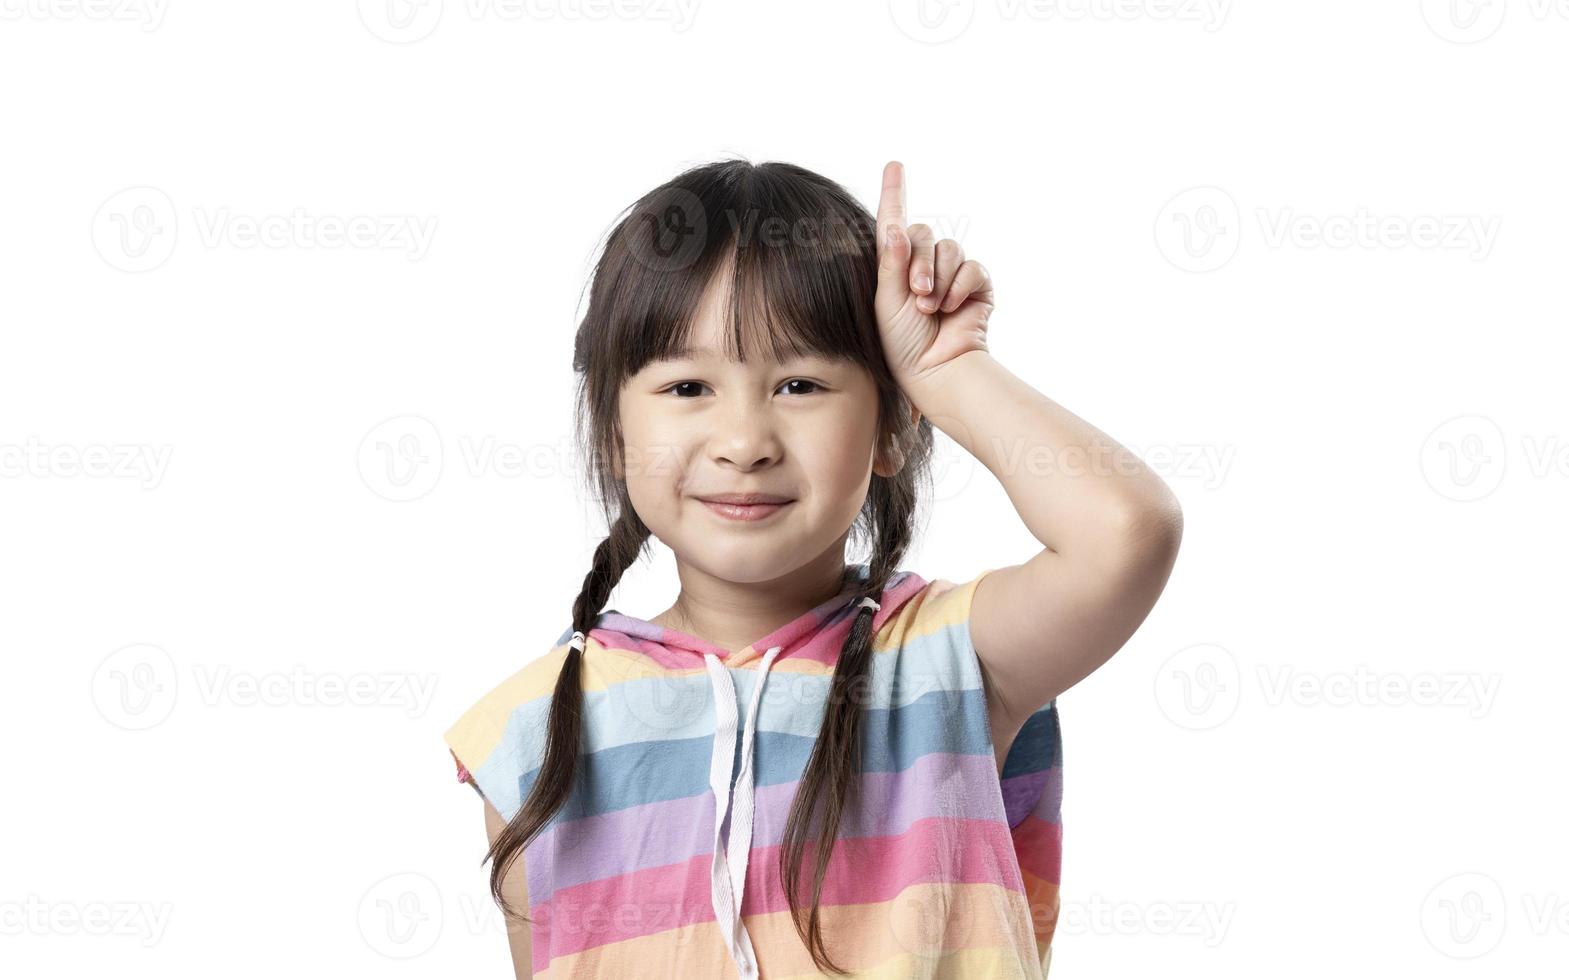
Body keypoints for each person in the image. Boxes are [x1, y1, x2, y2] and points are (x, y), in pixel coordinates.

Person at [443, 159, 1183, 978]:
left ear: (893, 427)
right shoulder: (531, 732)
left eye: (799, 383)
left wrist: (946, 370)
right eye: (688, 386)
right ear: (614, 433)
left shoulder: (951, 664)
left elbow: (1124, 532)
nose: (745, 441)